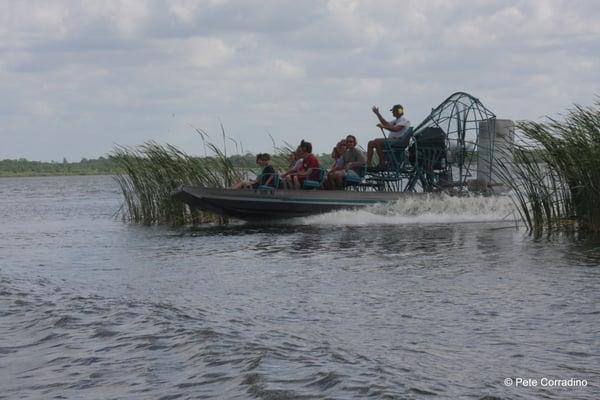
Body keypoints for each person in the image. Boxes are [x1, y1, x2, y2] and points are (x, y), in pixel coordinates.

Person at [367, 104, 411, 169]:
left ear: (399, 111)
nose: (392, 112)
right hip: (392, 141)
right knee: (370, 143)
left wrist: (383, 127)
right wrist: (377, 114)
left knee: (377, 141)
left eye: (393, 111)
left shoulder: (404, 120)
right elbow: (386, 123)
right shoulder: (396, 120)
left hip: (398, 141)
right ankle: (369, 164)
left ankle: (382, 162)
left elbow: (396, 129)